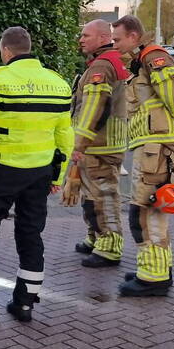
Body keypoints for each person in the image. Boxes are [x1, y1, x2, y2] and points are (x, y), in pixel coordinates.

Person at [0, 26, 74, 324]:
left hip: (5, 167)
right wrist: (57, 177)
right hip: (41, 171)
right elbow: (65, 137)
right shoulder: (58, 84)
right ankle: (24, 303)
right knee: (30, 233)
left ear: (6, 50)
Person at [111, 15, 174, 297]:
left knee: (146, 210)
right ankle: (155, 269)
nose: (115, 44)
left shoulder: (154, 58)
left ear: (134, 36)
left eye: (118, 39)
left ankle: (153, 277)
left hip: (156, 147)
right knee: (152, 208)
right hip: (152, 146)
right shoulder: (141, 61)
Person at [64, 19, 129, 268]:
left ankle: (110, 246)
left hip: (99, 145)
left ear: (103, 38)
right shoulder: (106, 62)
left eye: (86, 35)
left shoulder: (101, 66)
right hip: (101, 143)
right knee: (92, 195)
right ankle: (96, 237)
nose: (81, 39)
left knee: (103, 195)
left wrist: (79, 145)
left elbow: (94, 108)